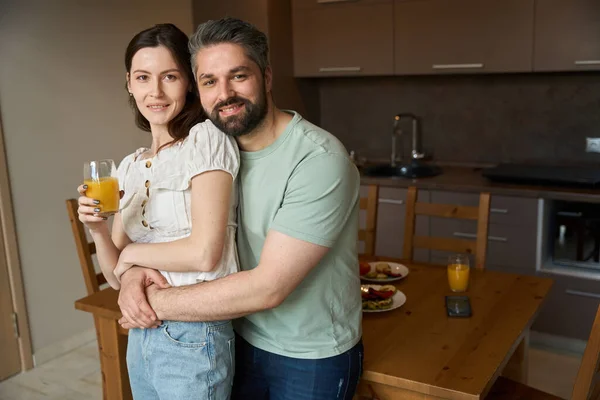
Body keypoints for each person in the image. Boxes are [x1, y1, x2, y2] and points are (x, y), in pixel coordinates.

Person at [117, 18, 363, 400]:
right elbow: (170, 237)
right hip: (236, 334)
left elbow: (268, 288)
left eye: (239, 76)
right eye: (210, 81)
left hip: (307, 354)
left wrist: (148, 302)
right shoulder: (211, 155)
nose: (225, 93)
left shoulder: (317, 159)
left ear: (265, 77)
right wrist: (133, 274)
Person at [76, 23, 239, 399]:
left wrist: (132, 256)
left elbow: (204, 253)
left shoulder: (206, 140)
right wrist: (99, 230)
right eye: (143, 77)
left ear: (189, 82)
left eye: (170, 76)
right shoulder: (130, 166)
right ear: (130, 84)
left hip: (196, 334)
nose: (156, 92)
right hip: (142, 330)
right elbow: (116, 278)